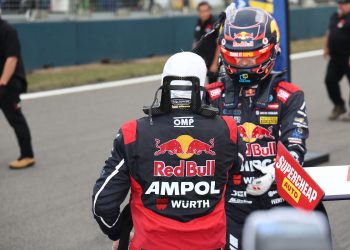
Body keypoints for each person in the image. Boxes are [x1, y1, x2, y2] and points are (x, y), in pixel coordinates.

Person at [204, 7, 330, 249]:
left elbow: (296, 145)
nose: (243, 63)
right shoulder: (211, 96)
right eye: (236, 57)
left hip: (279, 201)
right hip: (230, 205)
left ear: (272, 51)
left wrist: (274, 172)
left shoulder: (289, 96)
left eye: (251, 56)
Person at [92, 52, 243, 250]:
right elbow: (238, 178)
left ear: (163, 83)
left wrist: (118, 233)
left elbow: (102, 205)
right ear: (202, 86)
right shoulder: (228, 130)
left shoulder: (133, 133)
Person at [0, 18, 35, 169]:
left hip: (9, 83)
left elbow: (12, 59)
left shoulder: (8, 30)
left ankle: (27, 155)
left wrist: (2, 83)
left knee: (16, 119)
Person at [324, 0, 350, 121]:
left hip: (348, 56)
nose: (341, 6)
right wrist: (326, 47)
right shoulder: (335, 16)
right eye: (339, 3)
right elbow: (329, 32)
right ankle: (339, 105)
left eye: (344, 3)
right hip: (335, 57)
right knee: (330, 80)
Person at [192, 1, 220, 83]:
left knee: (212, 87)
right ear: (198, 13)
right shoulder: (198, 24)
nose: (204, 13)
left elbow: (219, 45)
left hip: (211, 61)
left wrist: (215, 64)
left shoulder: (215, 24)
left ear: (210, 11)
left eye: (206, 11)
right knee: (196, 86)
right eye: (201, 11)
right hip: (199, 61)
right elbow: (195, 41)